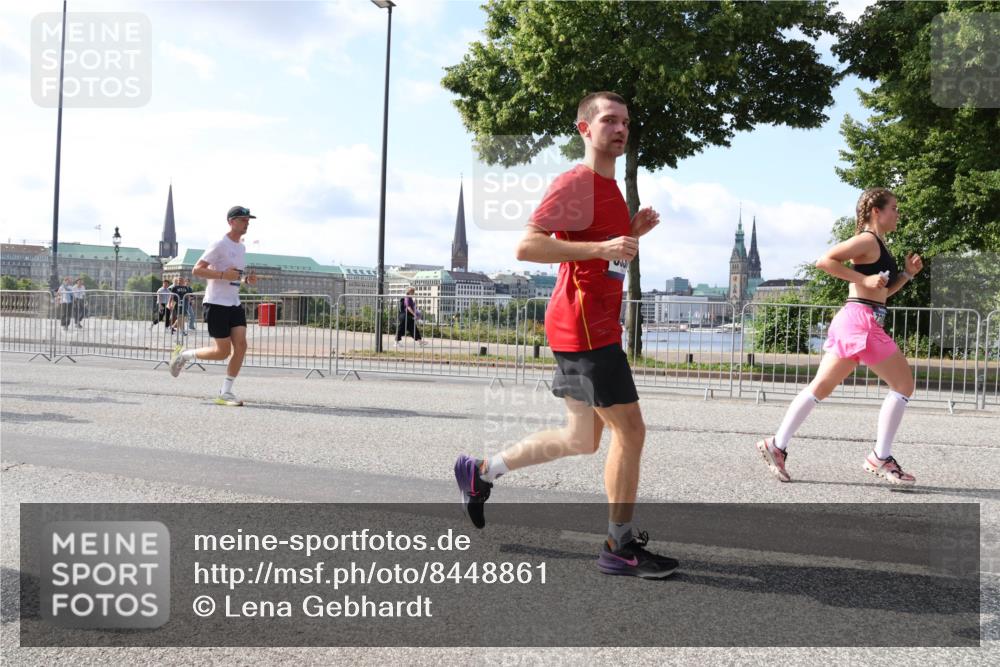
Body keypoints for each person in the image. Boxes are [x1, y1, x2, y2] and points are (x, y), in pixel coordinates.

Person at [452, 92, 677, 579]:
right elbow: (527, 245)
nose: (620, 129)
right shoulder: (576, 183)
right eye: (609, 120)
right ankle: (619, 545)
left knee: (581, 438)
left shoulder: (611, 189)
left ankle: (482, 471)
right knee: (631, 431)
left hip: (589, 324)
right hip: (584, 328)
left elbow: (603, 255)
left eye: (625, 122)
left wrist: (631, 232)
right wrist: (603, 246)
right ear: (584, 129)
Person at [755, 187, 924, 486]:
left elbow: (882, 293)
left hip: (857, 319)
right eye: (894, 208)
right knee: (903, 385)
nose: (898, 214)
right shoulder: (867, 240)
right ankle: (880, 457)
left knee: (820, 387)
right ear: (876, 211)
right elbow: (825, 261)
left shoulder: (879, 244)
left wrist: (907, 275)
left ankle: (776, 445)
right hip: (862, 322)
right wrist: (864, 278)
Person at [168, 206, 258, 406]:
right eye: (243, 219)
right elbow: (197, 270)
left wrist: (245, 280)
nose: (247, 223)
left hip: (234, 303)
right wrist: (223, 275)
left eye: (248, 220)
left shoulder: (241, 247)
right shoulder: (219, 244)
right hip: (216, 303)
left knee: (241, 346)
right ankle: (184, 355)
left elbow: (234, 276)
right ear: (231, 221)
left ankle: (225, 392)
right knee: (222, 352)